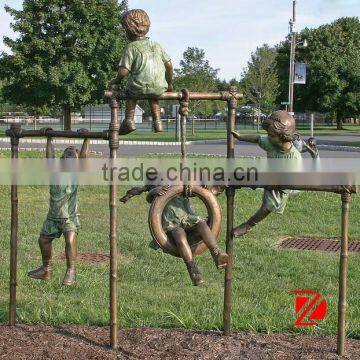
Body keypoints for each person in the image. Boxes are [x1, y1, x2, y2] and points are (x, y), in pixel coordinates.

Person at [120, 185, 228, 286]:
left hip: (188, 218)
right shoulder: (156, 178)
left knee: (202, 225)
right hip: (171, 224)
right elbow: (148, 194)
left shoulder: (180, 176)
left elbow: (197, 190)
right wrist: (154, 192)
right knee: (179, 234)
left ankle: (217, 254)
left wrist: (202, 186)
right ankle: (193, 270)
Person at [28, 129, 90, 286]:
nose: (70, 148)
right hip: (52, 217)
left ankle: (71, 271)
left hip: (69, 216)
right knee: (43, 240)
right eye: (67, 150)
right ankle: (46, 269)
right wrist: (49, 139)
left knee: (70, 240)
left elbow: (84, 157)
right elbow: (49, 157)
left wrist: (86, 138)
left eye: (73, 150)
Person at [231, 110, 303, 237]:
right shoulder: (271, 142)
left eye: (271, 135)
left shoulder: (294, 157)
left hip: (281, 185)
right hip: (269, 175)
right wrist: (240, 137)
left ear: (283, 136)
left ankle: (248, 225)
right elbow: (258, 138)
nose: (268, 138)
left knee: (268, 206)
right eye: (268, 134)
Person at [109, 9, 173, 135]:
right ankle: (158, 121)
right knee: (153, 95)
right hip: (159, 87)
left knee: (131, 94)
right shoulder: (157, 45)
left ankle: (129, 121)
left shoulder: (131, 47)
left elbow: (123, 71)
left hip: (137, 87)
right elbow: (169, 65)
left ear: (128, 30)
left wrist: (115, 80)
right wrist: (169, 83)